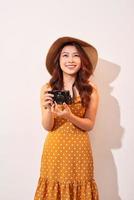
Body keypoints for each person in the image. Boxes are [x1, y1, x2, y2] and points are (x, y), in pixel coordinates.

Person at [34, 36, 99, 200]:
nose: (71, 60)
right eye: (65, 55)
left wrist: (70, 116)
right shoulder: (47, 88)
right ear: (58, 60)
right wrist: (48, 109)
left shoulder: (91, 90)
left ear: (82, 60)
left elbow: (89, 124)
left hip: (80, 151)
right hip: (55, 150)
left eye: (76, 55)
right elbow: (48, 126)